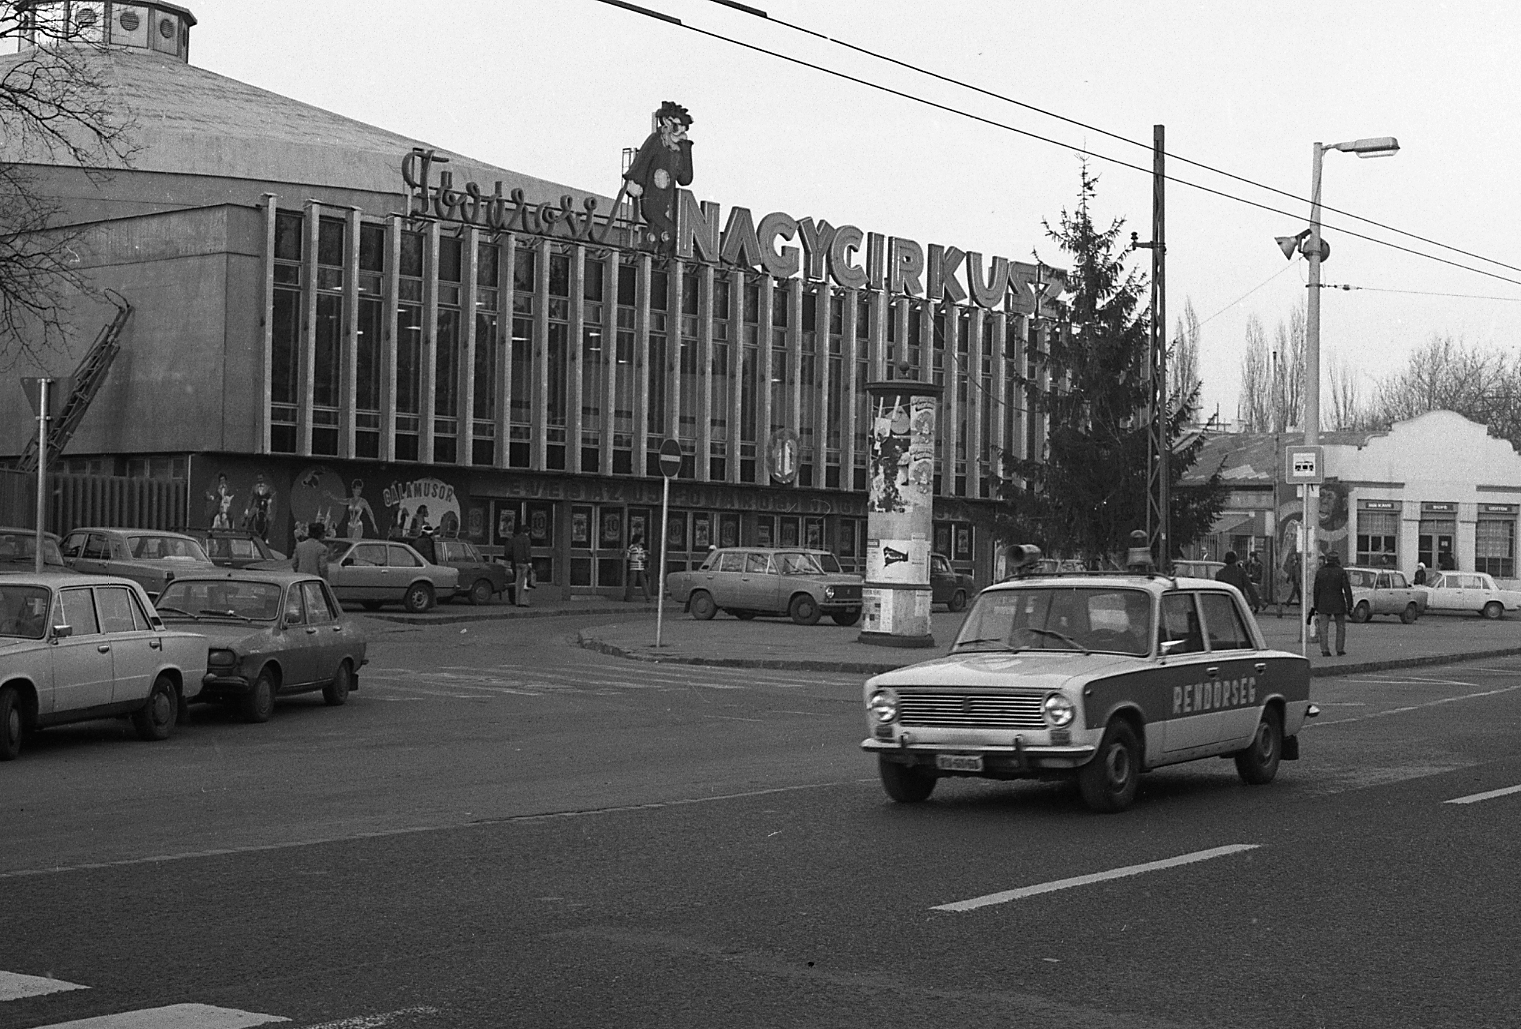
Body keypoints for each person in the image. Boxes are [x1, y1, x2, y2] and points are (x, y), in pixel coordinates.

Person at [1312, 551, 1355, 658]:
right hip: (1338, 602)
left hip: (1323, 603)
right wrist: (1350, 605)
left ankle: (1325, 650)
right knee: (1340, 627)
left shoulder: (1320, 572)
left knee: (1323, 628)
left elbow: (1316, 590)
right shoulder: (1341, 572)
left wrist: (1316, 605)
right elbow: (1347, 589)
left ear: (1327, 559)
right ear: (1337, 560)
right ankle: (1340, 649)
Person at [625, 534, 653, 603]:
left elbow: (643, 556)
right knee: (632, 582)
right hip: (634, 567)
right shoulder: (631, 547)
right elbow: (628, 556)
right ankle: (628, 597)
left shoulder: (641, 548)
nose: (642, 540)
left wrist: (643, 557)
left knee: (644, 582)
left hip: (640, 567)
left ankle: (648, 598)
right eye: (641, 539)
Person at [509, 527, 532, 607]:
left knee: (518, 582)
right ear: (528, 532)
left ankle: (517, 601)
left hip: (517, 562)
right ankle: (524, 601)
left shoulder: (515, 539)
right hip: (524, 562)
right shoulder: (526, 539)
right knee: (525, 582)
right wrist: (529, 561)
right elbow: (527, 551)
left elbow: (513, 550)